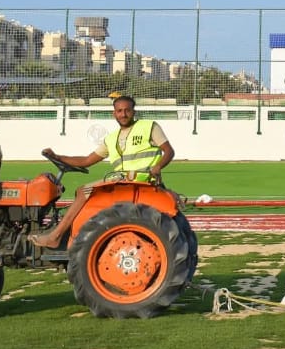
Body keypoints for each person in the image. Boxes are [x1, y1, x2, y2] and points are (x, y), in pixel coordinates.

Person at [28, 94, 175, 248]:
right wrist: (57, 156)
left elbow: (169, 151)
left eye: (127, 110)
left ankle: (56, 236)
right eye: (119, 111)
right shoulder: (111, 139)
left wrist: (158, 166)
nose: (123, 114)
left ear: (133, 111)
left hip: (138, 181)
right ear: (114, 113)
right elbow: (86, 161)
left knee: (84, 191)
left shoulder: (149, 127)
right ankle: (71, 237)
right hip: (122, 180)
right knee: (82, 191)